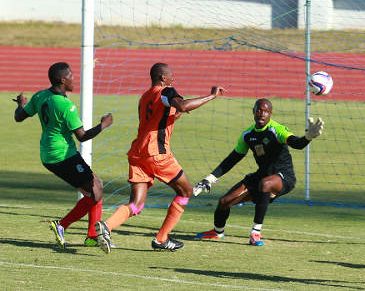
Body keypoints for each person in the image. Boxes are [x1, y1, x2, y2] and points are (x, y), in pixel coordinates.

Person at [95, 62, 225, 253]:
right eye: (171, 76)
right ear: (163, 78)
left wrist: (179, 111)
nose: (173, 80)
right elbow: (182, 103)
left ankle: (106, 226)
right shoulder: (166, 91)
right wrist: (211, 96)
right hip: (156, 153)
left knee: (136, 205)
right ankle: (161, 239)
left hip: (137, 154)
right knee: (185, 192)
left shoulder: (145, 97)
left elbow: (166, 115)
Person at [194, 98, 324, 246]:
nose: (262, 114)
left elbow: (297, 143)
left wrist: (307, 137)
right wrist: (209, 178)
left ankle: (255, 232)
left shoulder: (277, 129)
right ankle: (217, 232)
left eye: (266, 111)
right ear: (254, 112)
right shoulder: (248, 135)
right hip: (262, 175)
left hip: (284, 177)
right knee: (224, 202)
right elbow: (232, 159)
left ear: (270, 114)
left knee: (266, 184)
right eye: (259, 110)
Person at [13, 62, 113, 249]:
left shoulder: (40, 96)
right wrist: (103, 125)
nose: (74, 79)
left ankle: (92, 236)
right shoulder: (66, 106)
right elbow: (82, 136)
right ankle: (61, 225)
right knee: (95, 192)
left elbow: (19, 117)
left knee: (96, 185)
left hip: (49, 154)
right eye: (71, 76)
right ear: (62, 80)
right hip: (63, 156)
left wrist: (21, 104)